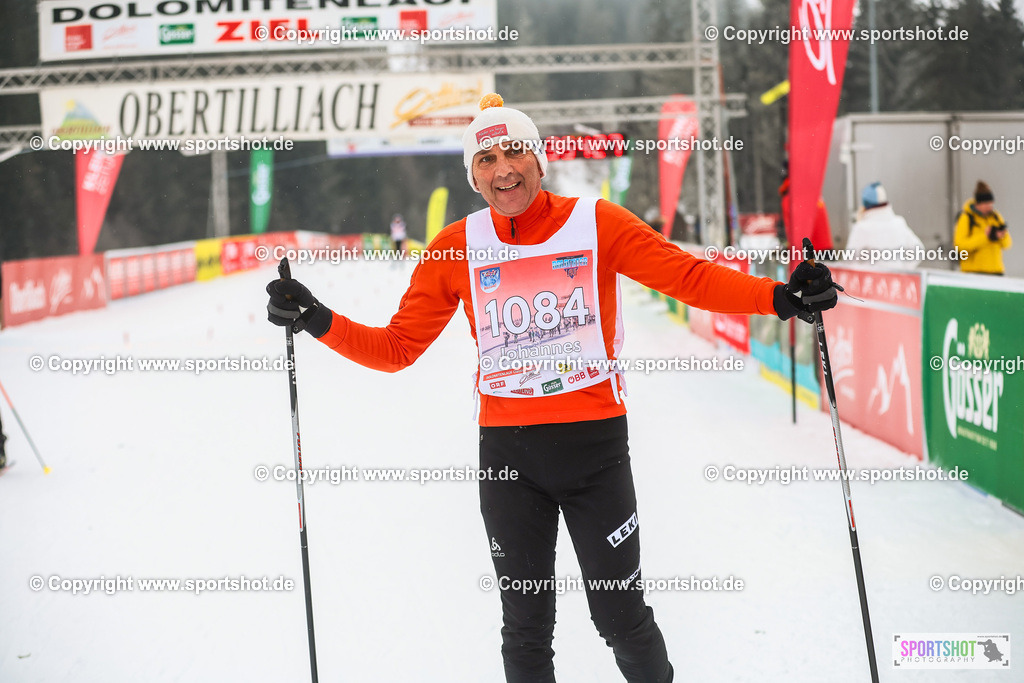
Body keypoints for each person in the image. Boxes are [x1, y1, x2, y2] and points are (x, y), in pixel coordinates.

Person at [266, 94, 839, 683]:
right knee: (526, 626)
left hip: (595, 453)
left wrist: (779, 297)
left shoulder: (598, 223)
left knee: (620, 617)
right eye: (486, 159)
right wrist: (314, 316)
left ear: (540, 160)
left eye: (515, 151)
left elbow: (686, 276)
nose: (503, 168)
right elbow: (396, 349)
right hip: (509, 462)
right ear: (473, 176)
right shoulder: (454, 247)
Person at [845, 182, 925, 268]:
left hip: (872, 280)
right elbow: (919, 251)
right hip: (896, 279)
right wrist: (904, 269)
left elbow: (850, 263)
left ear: (865, 205)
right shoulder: (899, 223)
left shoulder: (861, 228)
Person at [954, 181, 1012, 275]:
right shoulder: (966, 218)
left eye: (991, 204)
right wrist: (985, 237)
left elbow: (1007, 244)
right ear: (978, 203)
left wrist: (1001, 236)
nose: (989, 208)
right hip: (974, 272)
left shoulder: (995, 216)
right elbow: (960, 246)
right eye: (986, 204)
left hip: (996, 271)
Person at [778, 160, 834, 251]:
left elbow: (799, 229)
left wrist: (791, 249)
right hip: (823, 249)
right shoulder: (810, 192)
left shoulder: (792, 196)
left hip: (812, 251)